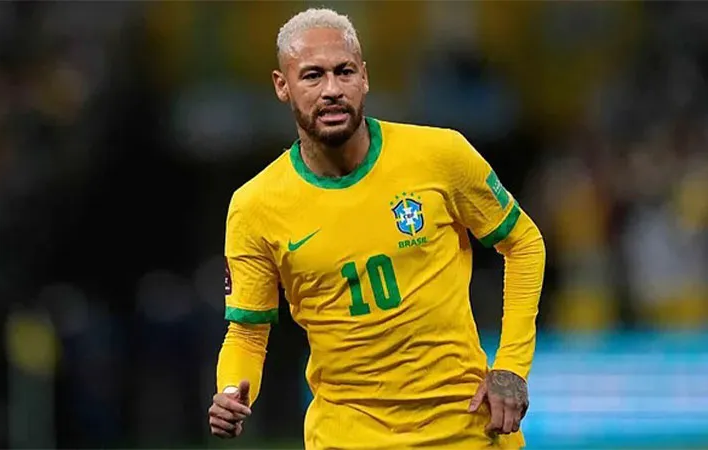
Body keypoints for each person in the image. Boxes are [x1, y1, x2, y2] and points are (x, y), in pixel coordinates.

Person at [208, 7, 545, 449]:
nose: (332, 89)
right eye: (312, 76)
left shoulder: (440, 155)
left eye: (344, 71)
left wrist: (512, 367)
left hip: (465, 430)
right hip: (346, 436)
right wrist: (232, 389)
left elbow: (524, 242)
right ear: (282, 85)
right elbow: (248, 331)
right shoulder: (255, 206)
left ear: (364, 77)